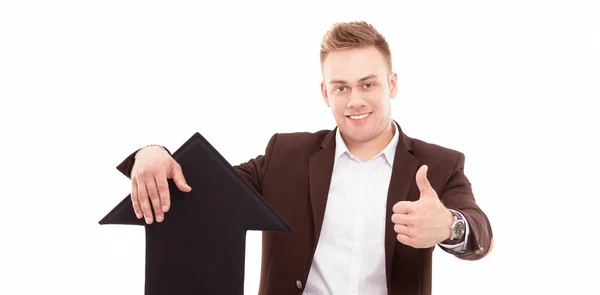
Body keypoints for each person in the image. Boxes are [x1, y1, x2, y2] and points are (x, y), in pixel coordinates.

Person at [116, 21, 493, 295]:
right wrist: (152, 154)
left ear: (392, 84)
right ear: (324, 93)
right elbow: (203, 190)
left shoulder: (439, 164)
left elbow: (481, 235)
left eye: (368, 84)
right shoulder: (285, 156)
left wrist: (450, 227)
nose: (355, 100)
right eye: (341, 87)